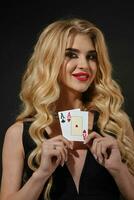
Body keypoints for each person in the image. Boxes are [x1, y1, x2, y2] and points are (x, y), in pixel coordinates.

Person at [1, 17, 134, 200]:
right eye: (71, 54)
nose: (84, 65)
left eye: (91, 57)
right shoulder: (19, 134)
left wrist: (119, 170)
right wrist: (41, 174)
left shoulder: (115, 125)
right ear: (49, 60)